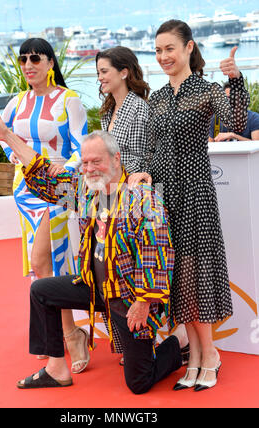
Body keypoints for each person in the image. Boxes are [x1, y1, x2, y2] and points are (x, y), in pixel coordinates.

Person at [0, 120, 189, 394]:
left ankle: (179, 342)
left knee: (139, 383)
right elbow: (42, 174)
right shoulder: (83, 190)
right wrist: (8, 136)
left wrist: (143, 302)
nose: (90, 169)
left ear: (116, 159)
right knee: (41, 290)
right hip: (94, 288)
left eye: (97, 161)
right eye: (86, 162)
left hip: (128, 298)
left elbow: (158, 253)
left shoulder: (144, 198)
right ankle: (56, 368)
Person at [129, 20, 249, 391]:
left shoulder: (206, 90)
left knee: (196, 276)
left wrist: (237, 80)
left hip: (195, 193)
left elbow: (236, 121)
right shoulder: (159, 98)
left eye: (170, 49)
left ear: (189, 48)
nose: (164, 56)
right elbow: (152, 148)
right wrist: (144, 172)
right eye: (158, 50)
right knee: (179, 276)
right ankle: (195, 355)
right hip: (165, 198)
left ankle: (209, 354)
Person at [0, 37, 90, 374]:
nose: (28, 65)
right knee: (43, 266)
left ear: (51, 62)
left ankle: (71, 333)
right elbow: (4, 140)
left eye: (35, 58)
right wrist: (16, 154)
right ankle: (62, 334)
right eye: (23, 60)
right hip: (25, 191)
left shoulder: (69, 100)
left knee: (50, 259)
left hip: (58, 190)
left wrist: (64, 164)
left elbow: (83, 145)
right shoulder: (16, 103)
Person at [96, 46, 150, 360]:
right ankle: (121, 343)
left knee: (129, 271)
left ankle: (141, 344)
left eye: (105, 71)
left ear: (124, 72)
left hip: (131, 202)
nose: (100, 77)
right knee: (106, 269)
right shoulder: (106, 112)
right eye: (99, 72)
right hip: (104, 199)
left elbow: (144, 159)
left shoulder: (140, 108)